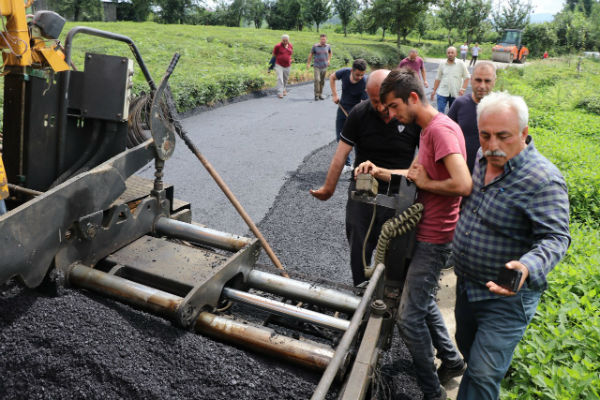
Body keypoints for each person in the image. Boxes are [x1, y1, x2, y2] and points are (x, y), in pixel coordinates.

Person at [357, 68, 472, 400]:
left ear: (412, 98)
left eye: (393, 107)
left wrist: (426, 185)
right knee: (421, 300)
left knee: (408, 318)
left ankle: (432, 393)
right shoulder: (426, 130)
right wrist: (381, 171)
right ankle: (451, 361)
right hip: (424, 230)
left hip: (435, 237)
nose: (391, 115)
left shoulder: (440, 131)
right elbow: (417, 173)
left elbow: (463, 184)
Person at [451, 91, 571, 399]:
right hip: (467, 286)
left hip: (505, 300)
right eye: (485, 135)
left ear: (524, 133)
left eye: (503, 137)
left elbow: (556, 238)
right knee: (467, 350)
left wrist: (527, 266)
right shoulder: (481, 157)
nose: (492, 146)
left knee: (482, 373)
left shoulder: (543, 180)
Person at [310, 69, 420, 287]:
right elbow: (341, 154)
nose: (379, 107)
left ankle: (387, 293)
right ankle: (359, 289)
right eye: (373, 100)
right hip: (362, 188)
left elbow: (422, 167)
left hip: (399, 189)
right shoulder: (360, 112)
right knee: (359, 244)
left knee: (395, 246)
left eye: (383, 101)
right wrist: (328, 189)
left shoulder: (411, 117)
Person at [448, 61, 497, 173]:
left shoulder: (502, 108)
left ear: (494, 81)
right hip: (461, 171)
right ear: (471, 79)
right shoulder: (459, 104)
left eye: (487, 81)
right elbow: (446, 135)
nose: (482, 86)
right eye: (478, 80)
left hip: (490, 174)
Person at [329, 59, 369, 171]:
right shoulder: (345, 72)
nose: (360, 77)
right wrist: (335, 95)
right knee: (340, 137)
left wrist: (358, 117)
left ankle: (358, 164)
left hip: (356, 112)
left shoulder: (364, 83)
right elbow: (332, 77)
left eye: (362, 74)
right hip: (342, 108)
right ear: (352, 70)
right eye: (357, 74)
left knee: (356, 140)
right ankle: (346, 165)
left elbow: (363, 104)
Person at [430, 46, 470, 113]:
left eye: (452, 52)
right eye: (448, 53)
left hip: (455, 93)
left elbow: (467, 77)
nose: (450, 54)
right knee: (440, 113)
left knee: (452, 115)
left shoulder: (461, 63)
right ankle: (441, 123)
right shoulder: (442, 63)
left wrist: (463, 89)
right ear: (446, 54)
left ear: (456, 54)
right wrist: (434, 90)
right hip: (442, 92)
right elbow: (438, 78)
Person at [306, 34, 332, 101]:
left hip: (324, 66)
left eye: (324, 39)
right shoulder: (315, 46)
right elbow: (311, 54)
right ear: (320, 39)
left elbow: (330, 53)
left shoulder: (328, 46)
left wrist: (329, 60)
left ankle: (320, 94)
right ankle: (316, 95)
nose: (323, 40)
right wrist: (308, 63)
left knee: (322, 81)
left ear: (326, 39)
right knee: (317, 80)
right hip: (317, 66)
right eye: (322, 39)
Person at [272, 34, 293, 99]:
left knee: (285, 79)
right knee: (280, 78)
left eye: (286, 40)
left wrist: (289, 59)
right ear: (282, 40)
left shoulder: (290, 45)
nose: (285, 42)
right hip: (279, 64)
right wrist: (272, 64)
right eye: (284, 40)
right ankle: (280, 92)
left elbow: (290, 53)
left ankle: (284, 89)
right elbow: (274, 54)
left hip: (287, 65)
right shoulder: (277, 46)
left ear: (288, 40)